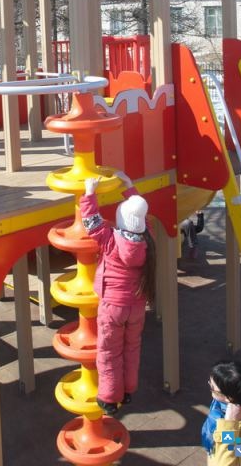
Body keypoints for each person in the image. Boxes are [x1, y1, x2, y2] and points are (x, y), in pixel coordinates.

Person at [80, 172, 156, 417]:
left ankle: (109, 398)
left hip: (113, 306)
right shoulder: (148, 239)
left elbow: (91, 221)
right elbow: (140, 212)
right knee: (132, 347)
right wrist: (129, 187)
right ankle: (128, 389)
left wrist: (89, 193)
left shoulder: (111, 240)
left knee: (109, 352)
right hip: (136, 305)